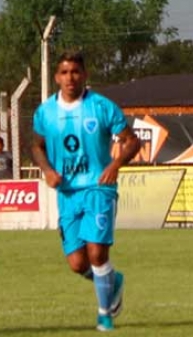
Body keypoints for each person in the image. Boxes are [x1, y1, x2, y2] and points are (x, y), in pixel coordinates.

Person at [31, 51, 140, 332]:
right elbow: (36, 146)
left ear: (85, 75)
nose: (70, 77)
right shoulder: (45, 112)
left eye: (75, 72)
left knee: (96, 253)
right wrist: (47, 170)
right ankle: (112, 282)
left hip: (98, 188)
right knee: (78, 264)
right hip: (67, 193)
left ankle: (105, 315)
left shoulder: (102, 107)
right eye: (64, 72)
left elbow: (131, 141)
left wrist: (116, 163)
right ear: (56, 77)